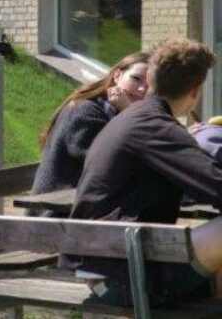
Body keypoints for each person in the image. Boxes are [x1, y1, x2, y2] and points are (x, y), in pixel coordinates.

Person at [67, 38, 222, 309]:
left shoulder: (133, 118)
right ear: (196, 92)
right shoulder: (156, 127)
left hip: (109, 269)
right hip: (126, 281)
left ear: (150, 78)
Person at [31, 51, 149, 196]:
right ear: (117, 76)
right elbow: (111, 166)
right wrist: (130, 112)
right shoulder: (85, 112)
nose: (142, 89)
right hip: (57, 213)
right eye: (136, 78)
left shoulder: (118, 110)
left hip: (87, 207)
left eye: (149, 84)